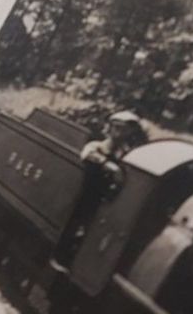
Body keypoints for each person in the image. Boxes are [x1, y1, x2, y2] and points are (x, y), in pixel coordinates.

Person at [52, 111, 149, 272]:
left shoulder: (125, 154)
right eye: (116, 128)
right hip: (85, 195)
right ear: (109, 128)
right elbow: (87, 154)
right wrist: (107, 164)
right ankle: (59, 255)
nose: (119, 133)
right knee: (74, 222)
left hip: (105, 201)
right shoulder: (97, 146)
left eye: (125, 130)